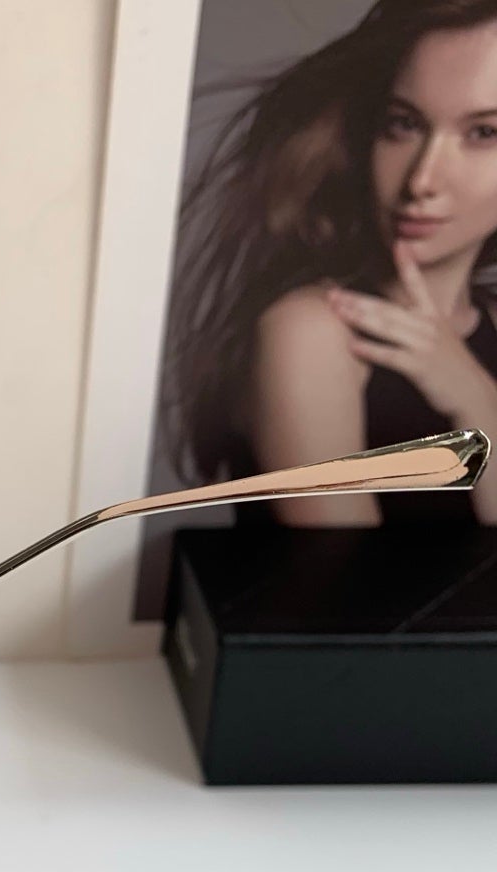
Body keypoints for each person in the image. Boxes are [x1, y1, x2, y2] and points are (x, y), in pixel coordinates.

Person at [166, 0, 497, 525]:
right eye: (403, 124)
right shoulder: (313, 330)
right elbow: (345, 577)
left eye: (484, 133)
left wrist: (476, 400)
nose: (422, 180)